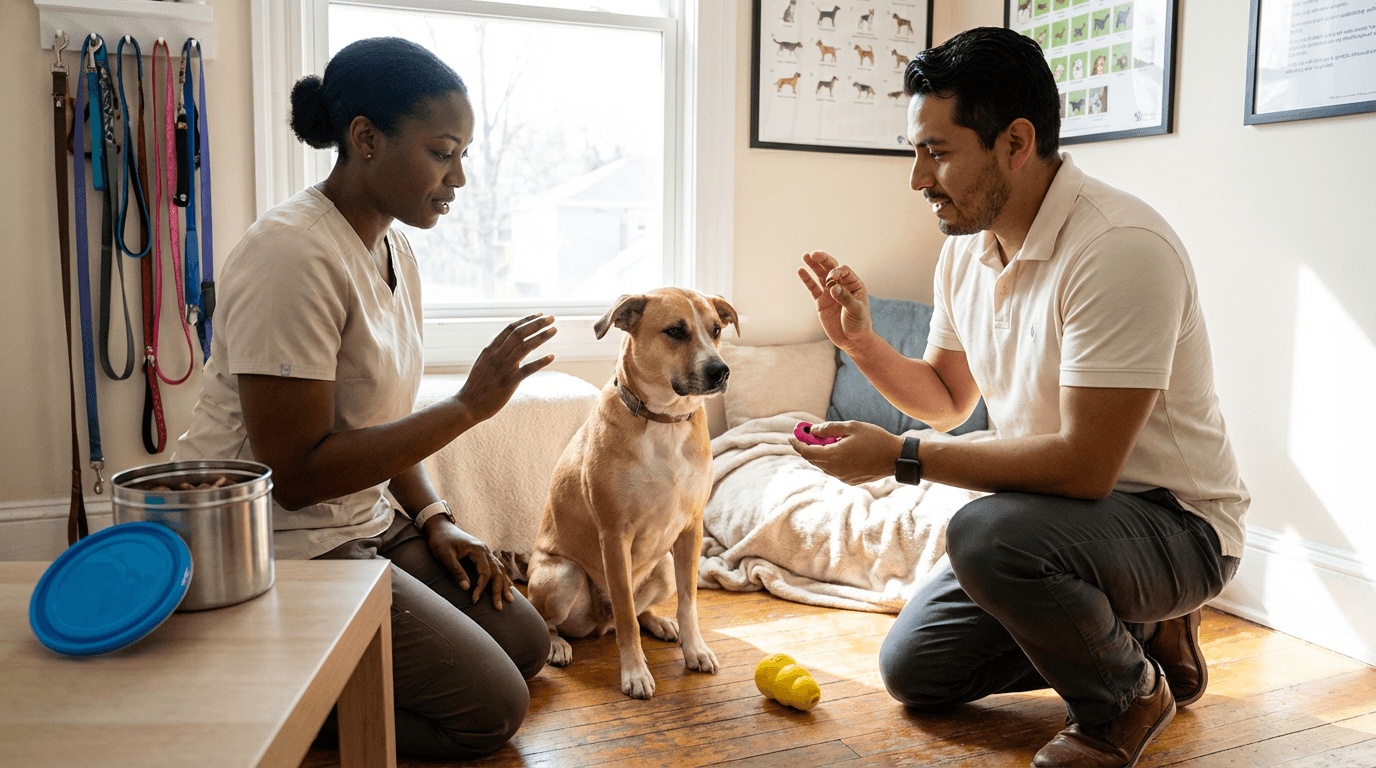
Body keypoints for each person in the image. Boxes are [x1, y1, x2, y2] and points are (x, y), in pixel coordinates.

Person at [790, 27, 1247, 768]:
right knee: (917, 672)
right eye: (916, 150)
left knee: (986, 534)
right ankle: (1142, 633)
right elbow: (944, 399)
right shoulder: (964, 252)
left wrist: (900, 458)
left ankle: (1128, 697)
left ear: (1016, 141)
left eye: (936, 152)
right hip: (1063, 527)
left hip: (1176, 525)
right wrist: (863, 345)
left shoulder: (1119, 246)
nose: (917, 179)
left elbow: (1087, 466)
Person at [174, 37, 556, 760]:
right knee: (490, 712)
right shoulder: (292, 254)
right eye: (444, 151)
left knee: (527, 644)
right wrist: (469, 408)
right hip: (279, 546)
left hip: (363, 522)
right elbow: (297, 478)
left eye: (464, 154)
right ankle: (243, 693)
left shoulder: (393, 247)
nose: (461, 177)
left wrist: (436, 518)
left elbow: (381, 424)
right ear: (366, 140)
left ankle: (314, 665)